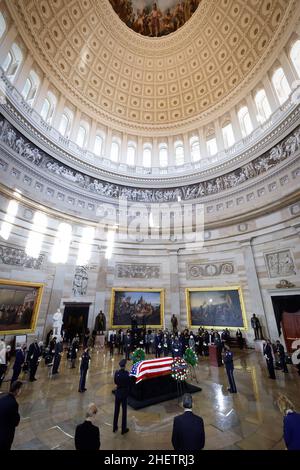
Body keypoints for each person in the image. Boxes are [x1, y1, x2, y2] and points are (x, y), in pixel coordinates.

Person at [0, 380, 22, 450]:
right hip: (5, 436)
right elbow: (16, 422)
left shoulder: (2, 398)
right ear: (17, 390)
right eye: (20, 389)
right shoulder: (13, 403)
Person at [113, 358, 130, 435]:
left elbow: (115, 382)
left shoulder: (116, 373)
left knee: (116, 411)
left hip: (117, 394)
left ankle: (114, 427)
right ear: (125, 366)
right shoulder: (126, 374)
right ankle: (123, 429)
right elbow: (128, 383)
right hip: (124, 394)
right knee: (124, 412)